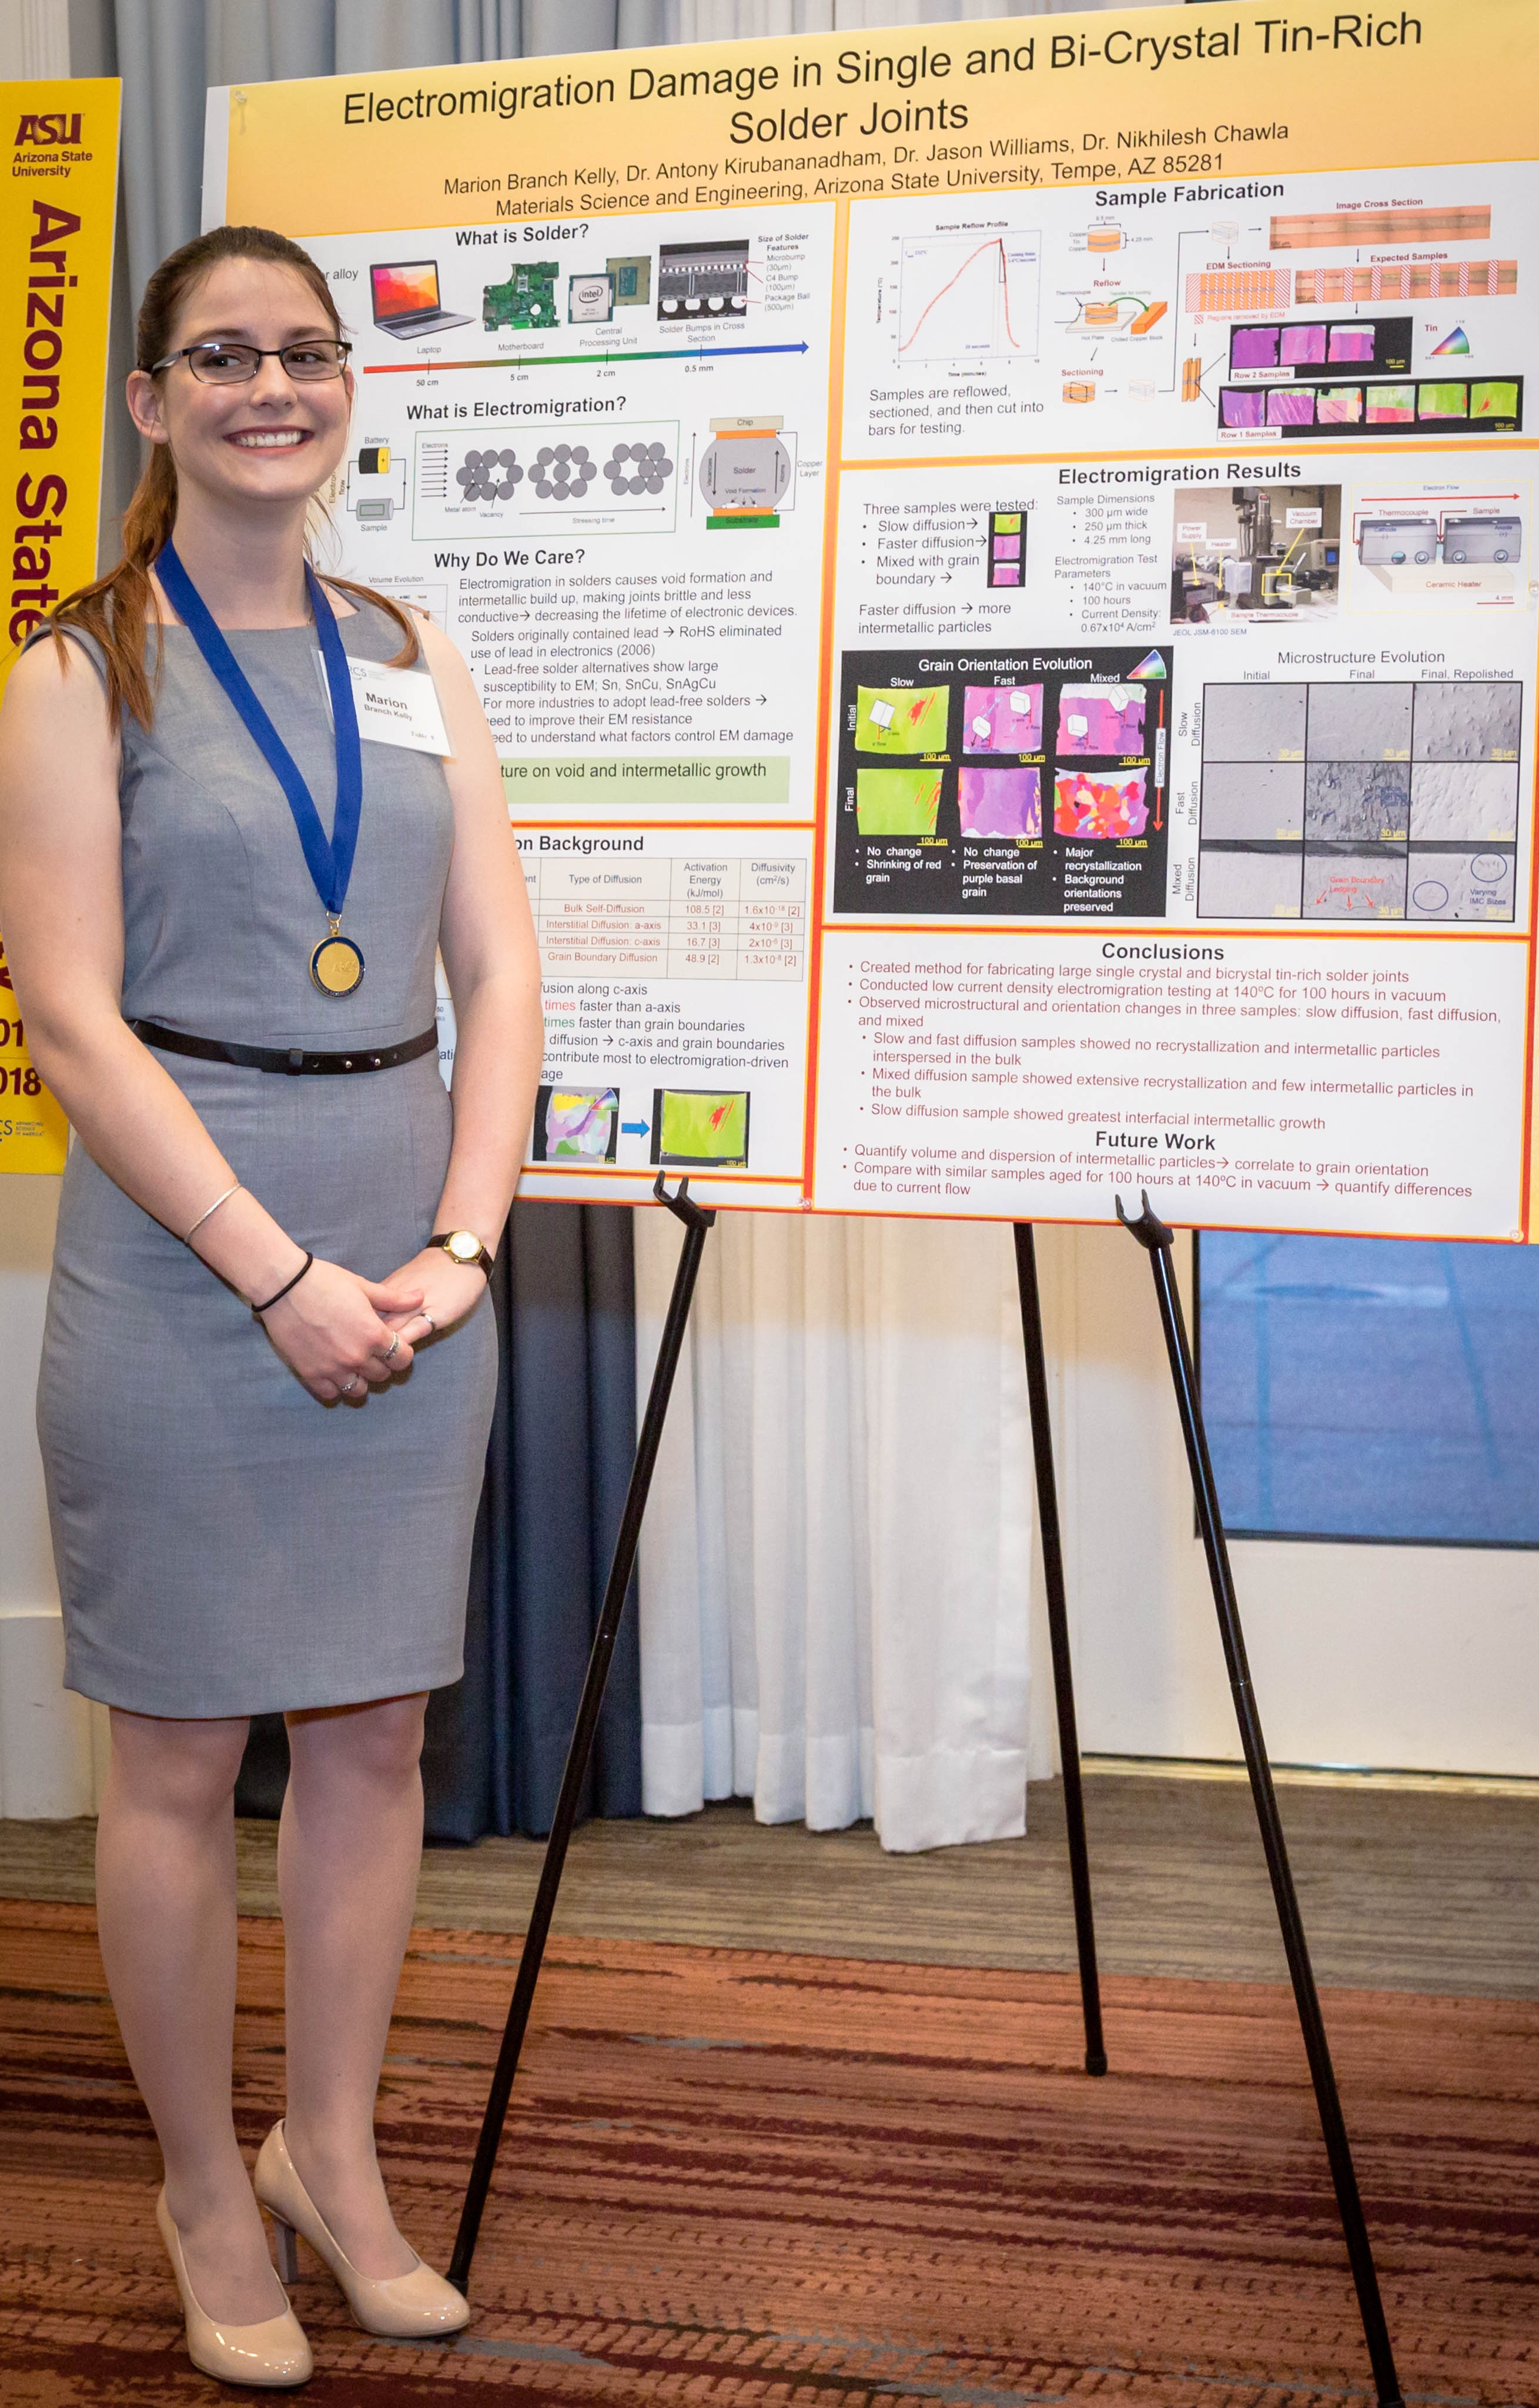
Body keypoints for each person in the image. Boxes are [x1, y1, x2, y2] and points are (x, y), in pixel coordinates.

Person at [0, 226, 542, 2387]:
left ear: (346, 388)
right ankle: (202, 2190)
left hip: (404, 1244)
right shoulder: (75, 667)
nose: (272, 387)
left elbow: (497, 970)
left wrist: (464, 1244)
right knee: (174, 1751)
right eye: (221, 357)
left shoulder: (412, 648)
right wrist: (278, 1275)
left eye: (305, 352)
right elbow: (67, 1015)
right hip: (185, 1251)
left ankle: (329, 2152)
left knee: (377, 1734)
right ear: (151, 402)